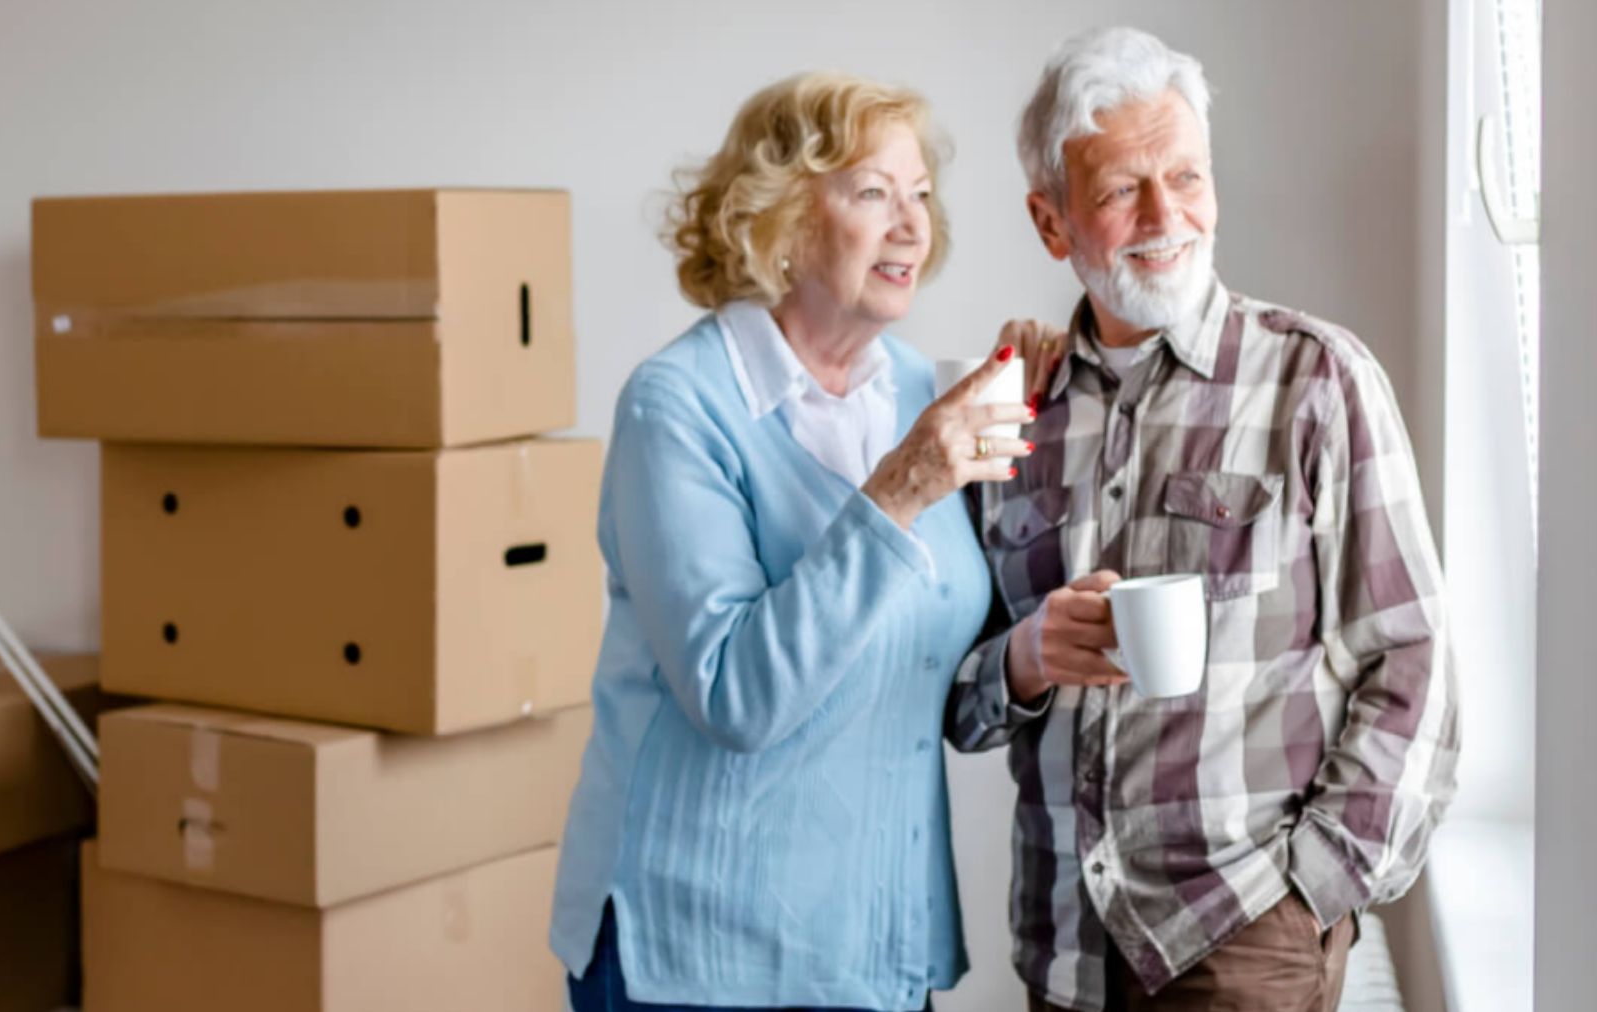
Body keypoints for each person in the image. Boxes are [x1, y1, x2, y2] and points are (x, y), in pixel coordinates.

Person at [945, 27, 1461, 1012]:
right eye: (1119, 190)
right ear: (1050, 223)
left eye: (1186, 176)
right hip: (1063, 950)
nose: (1164, 215)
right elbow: (950, 692)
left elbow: (1414, 660)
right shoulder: (1013, 410)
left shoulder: (1317, 379)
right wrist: (1026, 655)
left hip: (1245, 941)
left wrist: (1312, 886)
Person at [550, 71, 1066, 1011]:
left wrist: (1038, 646)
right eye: (874, 193)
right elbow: (734, 695)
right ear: (782, 219)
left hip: (873, 947)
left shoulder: (920, 395)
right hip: (701, 955)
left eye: (919, 195)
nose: (913, 226)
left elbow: (933, 660)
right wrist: (902, 487)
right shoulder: (677, 407)